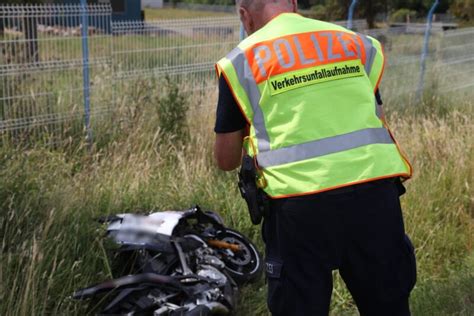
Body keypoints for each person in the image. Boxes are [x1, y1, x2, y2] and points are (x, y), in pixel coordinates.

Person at [213, 0, 417, 315]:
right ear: (293, 3)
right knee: (388, 305)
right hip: (375, 194)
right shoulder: (352, 42)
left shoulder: (242, 60)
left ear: (244, 15)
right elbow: (376, 116)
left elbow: (225, 159)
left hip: (300, 207)